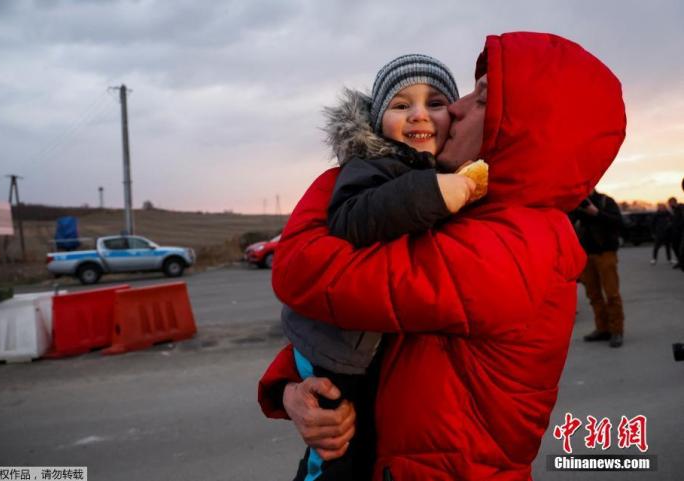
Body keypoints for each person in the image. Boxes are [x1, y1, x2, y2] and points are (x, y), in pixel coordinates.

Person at [259, 32, 626, 480]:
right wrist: (294, 388)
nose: (454, 108)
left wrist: (335, 181)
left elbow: (307, 273)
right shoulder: (468, 211)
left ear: (523, 126)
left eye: (481, 99)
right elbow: (381, 334)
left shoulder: (516, 245)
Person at [281, 54, 480, 481]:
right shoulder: (369, 169)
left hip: (389, 370)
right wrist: (429, 194)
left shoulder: (461, 178)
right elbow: (346, 224)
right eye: (401, 104)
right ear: (376, 119)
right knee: (340, 448)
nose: (419, 115)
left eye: (436, 102)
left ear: (457, 115)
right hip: (343, 355)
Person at [572, 189, 626, 348]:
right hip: (586, 255)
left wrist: (595, 212)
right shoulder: (576, 204)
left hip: (605, 253)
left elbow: (618, 222)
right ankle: (602, 329)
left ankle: (616, 331)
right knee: (593, 294)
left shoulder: (605, 201)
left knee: (611, 294)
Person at [668, 197, 684, 269]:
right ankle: (680, 261)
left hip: (681, 231)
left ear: (674, 202)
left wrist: (678, 226)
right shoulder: (673, 210)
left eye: (670, 203)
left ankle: (681, 262)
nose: (670, 205)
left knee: (681, 248)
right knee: (675, 246)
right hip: (675, 232)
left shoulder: (681, 208)